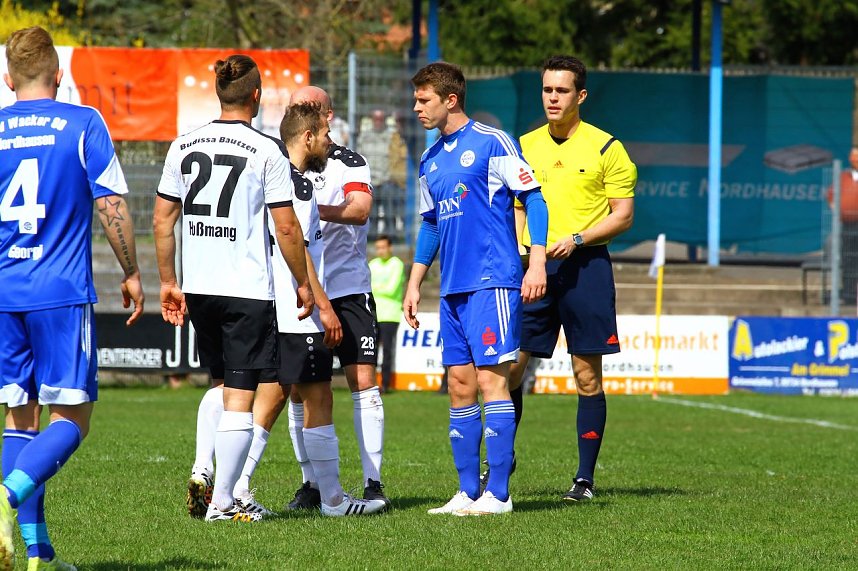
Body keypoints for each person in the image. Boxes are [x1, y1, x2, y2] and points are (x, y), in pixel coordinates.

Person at [0, 26, 144, 571]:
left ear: (8, 78)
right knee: (74, 417)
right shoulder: (83, 122)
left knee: (19, 418)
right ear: (58, 76)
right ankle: (6, 496)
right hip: (59, 291)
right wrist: (132, 272)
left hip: (4, 291)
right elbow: (111, 205)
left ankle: (37, 555)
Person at [153, 54, 314, 523]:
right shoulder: (266, 151)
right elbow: (286, 229)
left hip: (200, 285)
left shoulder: (183, 145)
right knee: (244, 394)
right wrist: (303, 283)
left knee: (223, 385)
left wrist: (168, 280)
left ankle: (206, 470)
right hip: (245, 288)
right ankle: (224, 501)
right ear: (257, 97)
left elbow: (163, 219)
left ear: (219, 94)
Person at [403, 61, 549, 516]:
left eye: (423, 100)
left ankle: (499, 494)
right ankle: (467, 493)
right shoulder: (429, 159)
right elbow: (430, 224)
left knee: (492, 382)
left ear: (451, 99)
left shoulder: (493, 143)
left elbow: (535, 199)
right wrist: (414, 282)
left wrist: (537, 260)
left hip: (494, 282)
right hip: (452, 289)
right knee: (459, 385)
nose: (416, 108)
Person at [233, 101, 387, 517]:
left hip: (269, 303)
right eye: (322, 133)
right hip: (300, 310)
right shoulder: (296, 185)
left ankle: (233, 488)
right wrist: (322, 303)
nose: (327, 140)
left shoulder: (268, 173)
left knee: (271, 393)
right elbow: (298, 246)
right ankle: (332, 498)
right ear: (307, 137)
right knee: (318, 396)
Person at [510, 54, 636, 503]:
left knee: (586, 375)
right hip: (532, 268)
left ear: (580, 96)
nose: (552, 98)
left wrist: (578, 238)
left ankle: (584, 479)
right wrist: (531, 252)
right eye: (547, 90)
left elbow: (623, 215)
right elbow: (518, 208)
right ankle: (501, 465)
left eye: (561, 91)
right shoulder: (523, 146)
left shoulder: (607, 148)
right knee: (511, 368)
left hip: (587, 269)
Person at [285, 86, 390, 509]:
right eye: (296, 107)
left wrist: (307, 212)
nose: (302, 113)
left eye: (308, 107)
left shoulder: (348, 160)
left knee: (362, 380)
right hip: (301, 291)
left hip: (347, 289)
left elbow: (360, 209)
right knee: (299, 390)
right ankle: (311, 484)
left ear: (327, 115)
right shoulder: (282, 160)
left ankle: (372, 482)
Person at [360, 110, 407, 236]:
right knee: (372, 213)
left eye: (381, 119)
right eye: (376, 118)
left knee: (390, 212)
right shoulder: (365, 137)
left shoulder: (391, 135)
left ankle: (392, 238)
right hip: (370, 181)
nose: (378, 121)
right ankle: (372, 238)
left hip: (387, 180)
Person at [369, 234, 405, 392]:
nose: (381, 251)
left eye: (383, 247)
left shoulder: (397, 264)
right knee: (371, 351)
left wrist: (375, 289)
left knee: (387, 350)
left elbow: (391, 289)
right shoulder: (372, 264)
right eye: (378, 248)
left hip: (390, 314)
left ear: (390, 248)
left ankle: (385, 384)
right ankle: (370, 383)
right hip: (372, 313)